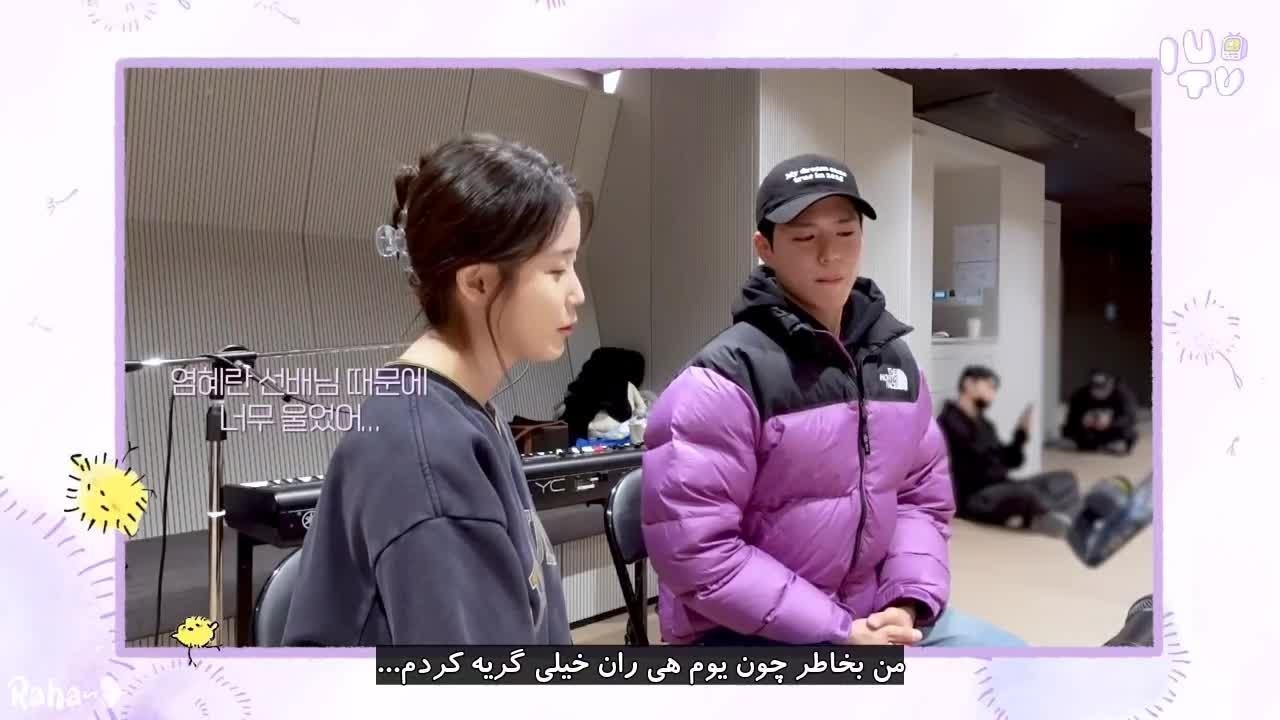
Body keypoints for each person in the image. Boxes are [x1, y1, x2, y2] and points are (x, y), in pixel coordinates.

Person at [640, 153, 1023, 648]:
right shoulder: (721, 382)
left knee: (1020, 666)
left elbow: (919, 499)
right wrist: (838, 630)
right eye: (805, 237)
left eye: (845, 233)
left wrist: (906, 600)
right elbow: (697, 553)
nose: (830, 255)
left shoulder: (896, 366)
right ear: (765, 247)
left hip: (871, 612)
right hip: (742, 631)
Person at [281, 134, 587, 646]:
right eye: (556, 269)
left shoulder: (464, 411)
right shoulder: (427, 455)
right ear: (478, 284)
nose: (577, 292)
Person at [937, 366, 1080, 537]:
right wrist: (1000, 468)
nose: (992, 394)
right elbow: (977, 464)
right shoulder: (949, 422)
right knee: (1025, 493)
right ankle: (1048, 515)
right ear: (969, 384)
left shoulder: (986, 425)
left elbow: (1009, 461)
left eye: (994, 389)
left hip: (1001, 485)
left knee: (1066, 479)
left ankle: (1054, 516)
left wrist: (1020, 436)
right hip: (975, 497)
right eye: (989, 386)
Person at [1062, 370, 1139, 454]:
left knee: (1128, 433)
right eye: (1095, 387)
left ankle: (1114, 443)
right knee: (1070, 433)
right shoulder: (1080, 395)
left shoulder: (1123, 395)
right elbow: (1071, 419)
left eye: (1103, 387)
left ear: (1111, 384)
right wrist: (1083, 420)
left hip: (1114, 430)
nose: (1099, 391)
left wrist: (1110, 422)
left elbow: (1131, 418)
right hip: (1089, 431)